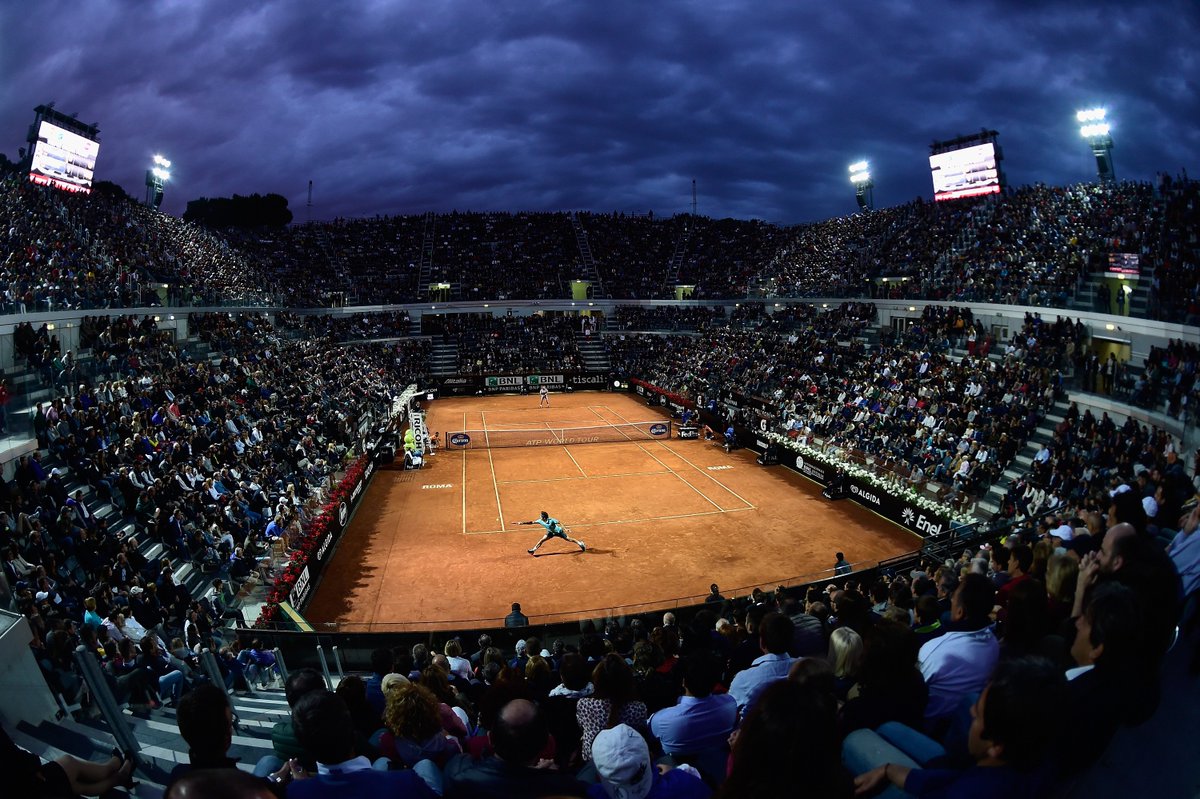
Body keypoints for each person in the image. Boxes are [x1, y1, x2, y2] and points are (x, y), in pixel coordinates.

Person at [845, 656, 1066, 799]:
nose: (972, 713)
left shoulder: (971, 792)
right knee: (889, 728)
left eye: (978, 715)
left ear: (996, 746)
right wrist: (889, 769)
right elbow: (958, 778)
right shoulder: (1040, 755)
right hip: (958, 774)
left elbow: (956, 786)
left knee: (856, 739)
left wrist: (893, 772)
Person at [285, 690, 438, 798]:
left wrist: (302, 787)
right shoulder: (406, 783)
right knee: (425, 766)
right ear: (352, 730)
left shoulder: (293, 792)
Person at [444, 698, 589, 798]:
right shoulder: (568, 788)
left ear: (490, 738)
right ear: (546, 743)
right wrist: (550, 776)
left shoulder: (457, 773)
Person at [590, 724, 711, 799]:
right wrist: (675, 773)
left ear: (598, 776)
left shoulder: (594, 793)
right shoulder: (686, 784)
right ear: (651, 756)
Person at [514, 510, 586, 555]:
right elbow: (531, 522)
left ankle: (580, 544)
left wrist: (565, 529)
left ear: (544, 517)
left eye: (541, 516)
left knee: (569, 539)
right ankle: (533, 550)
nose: (540, 516)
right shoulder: (540, 521)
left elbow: (559, 522)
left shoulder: (551, 520)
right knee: (541, 540)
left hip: (559, 532)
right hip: (550, 533)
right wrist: (522, 523)